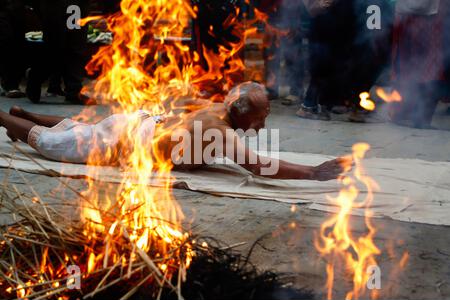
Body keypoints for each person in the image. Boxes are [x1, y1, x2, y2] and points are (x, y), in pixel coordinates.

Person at [0, 82, 350, 181]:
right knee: (48, 144)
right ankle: (5, 116)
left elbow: (179, 98)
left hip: (137, 123)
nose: (263, 125)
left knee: (83, 130)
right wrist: (313, 173)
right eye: (261, 117)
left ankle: (24, 113)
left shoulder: (219, 106)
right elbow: (260, 167)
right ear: (241, 113)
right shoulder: (223, 133)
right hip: (123, 141)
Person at [390, 0, 449, 128]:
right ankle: (415, 116)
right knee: (429, 67)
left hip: (414, 14)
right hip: (424, 16)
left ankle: (407, 113)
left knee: (416, 66)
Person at [26, 0, 93, 105]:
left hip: (77, 6)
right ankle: (35, 78)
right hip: (55, 6)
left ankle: (74, 90)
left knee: (76, 47)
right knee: (54, 48)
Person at [0, 0, 26, 98]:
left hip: (18, 11)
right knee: (7, 44)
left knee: (18, 47)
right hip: (5, 11)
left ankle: (12, 84)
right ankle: (10, 85)